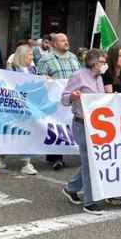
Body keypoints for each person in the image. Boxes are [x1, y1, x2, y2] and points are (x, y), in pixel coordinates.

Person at [61, 49, 107, 215]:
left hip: (96, 125)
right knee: (89, 163)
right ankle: (90, 202)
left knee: (92, 161)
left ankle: (71, 188)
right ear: (95, 63)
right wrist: (73, 96)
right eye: (102, 62)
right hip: (81, 124)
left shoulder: (99, 78)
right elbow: (64, 98)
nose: (104, 65)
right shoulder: (79, 76)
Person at [37, 33, 80, 170]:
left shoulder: (73, 58)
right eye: (63, 40)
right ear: (54, 44)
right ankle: (56, 157)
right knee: (56, 125)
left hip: (71, 98)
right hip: (55, 101)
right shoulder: (46, 60)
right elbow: (40, 79)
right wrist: (47, 80)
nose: (66, 42)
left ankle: (62, 152)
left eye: (67, 40)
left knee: (68, 124)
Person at [7, 44, 40, 176]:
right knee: (11, 133)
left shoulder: (33, 69)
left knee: (28, 133)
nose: (32, 57)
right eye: (30, 54)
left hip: (29, 105)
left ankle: (27, 163)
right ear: (23, 55)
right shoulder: (12, 68)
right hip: (16, 106)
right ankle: (1, 156)